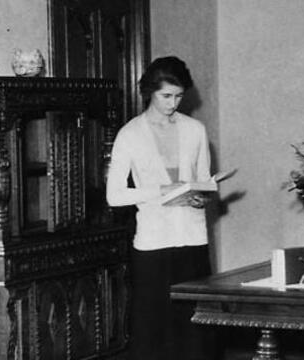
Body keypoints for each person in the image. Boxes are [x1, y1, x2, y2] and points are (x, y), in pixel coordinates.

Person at [106, 56, 215, 360]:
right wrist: (160, 191)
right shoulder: (130, 134)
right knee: (154, 328)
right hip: (153, 243)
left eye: (179, 96)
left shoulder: (195, 130)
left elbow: (204, 181)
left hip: (192, 239)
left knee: (195, 327)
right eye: (166, 96)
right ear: (149, 92)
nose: (172, 103)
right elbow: (114, 196)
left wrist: (200, 197)